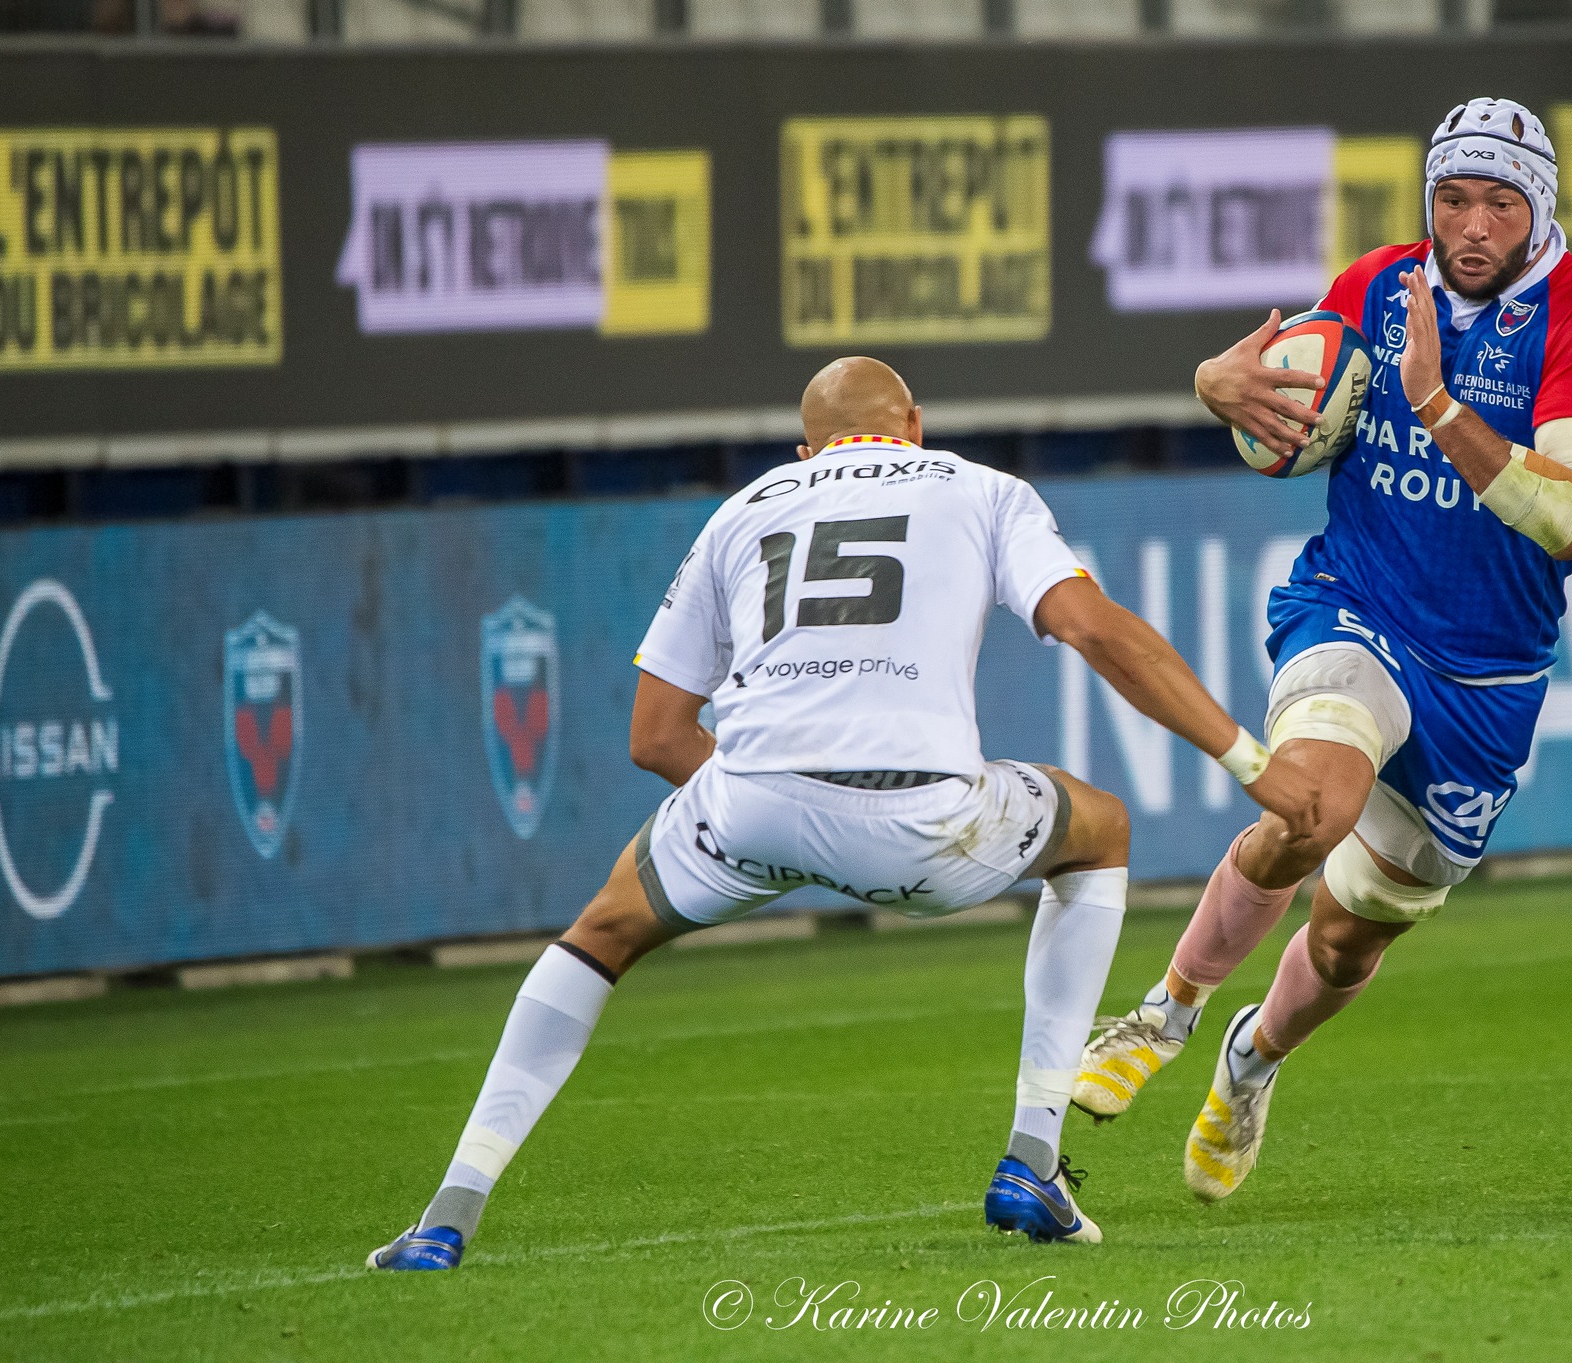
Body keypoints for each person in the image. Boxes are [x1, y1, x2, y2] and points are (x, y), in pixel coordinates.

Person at [367, 357, 1320, 1267]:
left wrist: (784, 816)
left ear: (804, 452)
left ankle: (446, 1216)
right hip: (921, 820)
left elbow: (655, 735)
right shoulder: (977, 487)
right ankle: (1031, 1159)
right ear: (914, 427)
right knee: (1099, 827)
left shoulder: (740, 512)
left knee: (597, 935)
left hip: (748, 804)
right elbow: (1093, 628)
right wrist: (1245, 757)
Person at [1076, 98, 1572, 1203]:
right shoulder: (1377, 284)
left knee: (1346, 943)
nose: (1469, 225)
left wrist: (1434, 403)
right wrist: (1213, 386)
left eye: (1496, 202)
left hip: (1485, 680)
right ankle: (1163, 1011)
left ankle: (1249, 1060)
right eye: (1451, 197)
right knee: (1308, 807)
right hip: (1354, 607)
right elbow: (1288, 409)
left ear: (1538, 210)